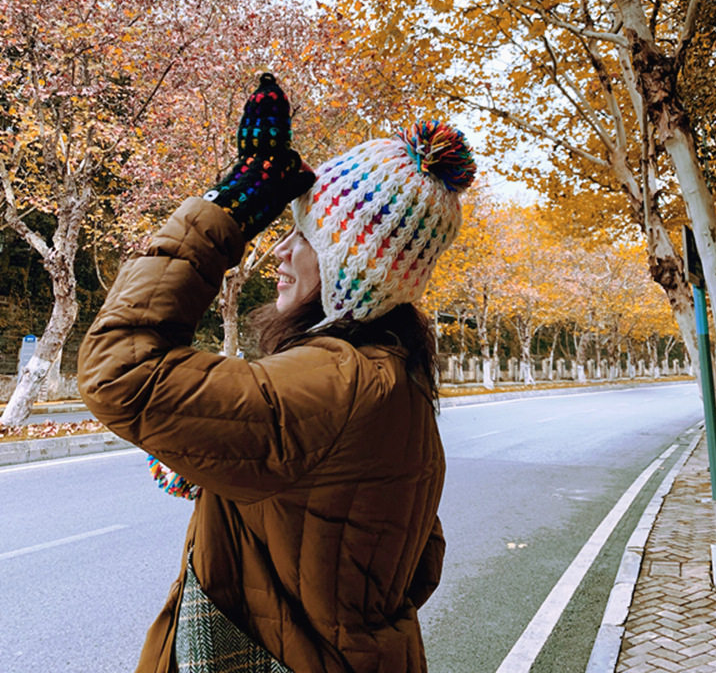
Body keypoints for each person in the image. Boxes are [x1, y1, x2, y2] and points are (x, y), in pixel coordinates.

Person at [78, 73, 476, 673]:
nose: (280, 251)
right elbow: (414, 561)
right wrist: (246, 483)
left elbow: (120, 369)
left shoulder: (337, 384)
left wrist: (230, 206)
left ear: (354, 270)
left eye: (305, 236)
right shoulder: (397, 379)